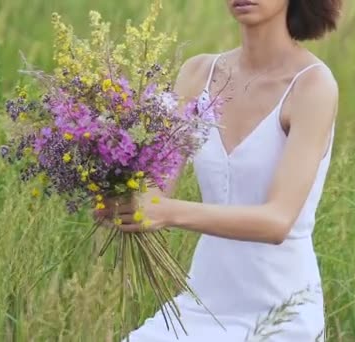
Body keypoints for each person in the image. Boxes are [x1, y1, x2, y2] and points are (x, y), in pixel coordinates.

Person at [99, 0, 342, 340]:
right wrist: (117, 195)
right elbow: (155, 190)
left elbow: (277, 221)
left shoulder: (312, 86)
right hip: (201, 305)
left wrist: (167, 212)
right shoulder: (198, 74)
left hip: (281, 313)